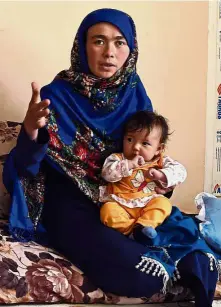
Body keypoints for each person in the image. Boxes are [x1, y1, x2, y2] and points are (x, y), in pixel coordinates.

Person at [3, 8, 218, 306]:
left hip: (125, 196)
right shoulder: (56, 96)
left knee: (194, 247)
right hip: (71, 201)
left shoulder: (135, 94)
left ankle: (182, 264)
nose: (109, 53)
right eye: (99, 41)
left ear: (131, 50)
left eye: (119, 43)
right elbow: (26, 167)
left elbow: (150, 154)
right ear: (82, 45)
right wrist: (30, 131)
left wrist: (161, 181)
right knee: (143, 274)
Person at [99, 110, 187, 239]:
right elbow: (107, 173)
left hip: (147, 203)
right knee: (107, 211)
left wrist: (162, 175)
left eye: (145, 143)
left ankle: (144, 226)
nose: (135, 147)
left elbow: (181, 172)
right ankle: (133, 231)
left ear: (158, 149)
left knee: (163, 204)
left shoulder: (161, 162)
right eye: (130, 139)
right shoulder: (117, 158)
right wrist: (128, 165)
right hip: (120, 204)